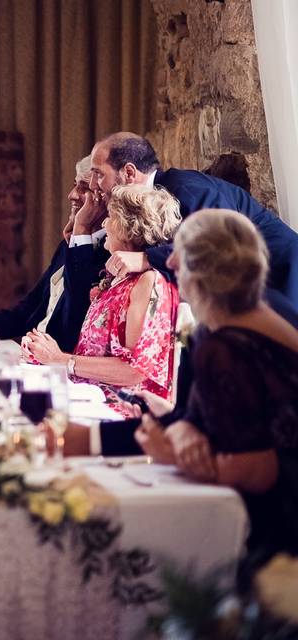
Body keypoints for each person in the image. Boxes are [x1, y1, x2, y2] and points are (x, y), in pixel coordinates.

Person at [134, 210, 298, 573]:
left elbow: (258, 468)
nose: (171, 260)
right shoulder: (269, 309)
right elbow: (192, 415)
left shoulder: (224, 347)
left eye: (180, 251)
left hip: (281, 531)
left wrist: (170, 456)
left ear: (204, 269)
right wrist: (183, 429)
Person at [88, 132, 298, 312]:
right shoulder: (151, 202)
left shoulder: (187, 188)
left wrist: (146, 259)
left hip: (281, 279)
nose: (92, 184)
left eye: (98, 174)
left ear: (129, 172)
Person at [24, 185, 181, 412]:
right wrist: (44, 353)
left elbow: (136, 371)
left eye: (112, 217)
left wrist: (61, 360)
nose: (105, 224)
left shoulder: (149, 282)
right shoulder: (119, 277)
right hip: (88, 397)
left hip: (123, 411)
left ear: (131, 228)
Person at [0, 156, 107, 352]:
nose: (72, 195)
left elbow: (75, 320)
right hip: (29, 353)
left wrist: (81, 229)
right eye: (74, 185)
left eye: (84, 188)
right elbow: (24, 313)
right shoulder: (68, 246)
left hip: (61, 363)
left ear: (105, 198)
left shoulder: (113, 253)